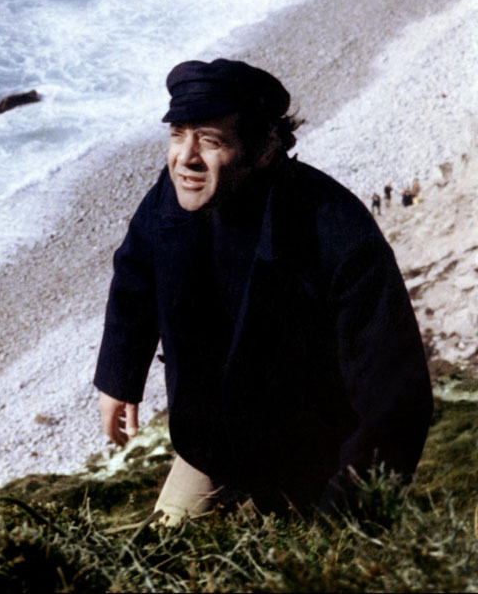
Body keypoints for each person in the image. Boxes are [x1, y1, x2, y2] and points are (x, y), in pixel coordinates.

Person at [93, 58, 432, 519]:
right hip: (214, 446)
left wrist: (347, 518)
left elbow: (395, 399)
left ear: (265, 147)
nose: (185, 157)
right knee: (159, 552)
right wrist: (119, 377)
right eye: (177, 134)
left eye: (210, 140)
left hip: (319, 464)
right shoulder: (170, 196)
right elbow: (136, 274)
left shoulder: (336, 230)